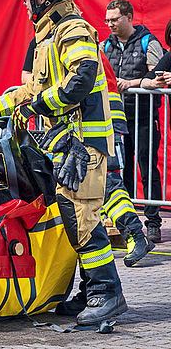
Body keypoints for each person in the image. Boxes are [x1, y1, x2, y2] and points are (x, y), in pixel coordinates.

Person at [0, 0, 127, 325]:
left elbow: (82, 78)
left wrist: (46, 104)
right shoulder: (50, 36)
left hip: (83, 143)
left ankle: (107, 292)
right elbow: (32, 90)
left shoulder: (71, 29)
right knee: (76, 216)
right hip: (66, 143)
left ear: (45, 0)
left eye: (29, 0)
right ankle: (92, 290)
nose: (26, 7)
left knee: (82, 218)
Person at [22, 41, 153, 266]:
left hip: (97, 122)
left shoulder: (65, 39)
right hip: (93, 122)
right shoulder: (58, 41)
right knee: (101, 184)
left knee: (108, 183)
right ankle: (133, 234)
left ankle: (134, 233)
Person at [101, 0, 165, 243]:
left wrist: (131, 84)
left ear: (129, 17)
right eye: (107, 20)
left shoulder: (149, 42)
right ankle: (128, 225)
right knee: (123, 170)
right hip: (117, 119)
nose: (110, 24)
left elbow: (158, 77)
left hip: (145, 116)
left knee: (147, 168)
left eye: (115, 19)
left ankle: (153, 222)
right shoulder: (106, 46)